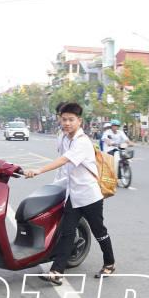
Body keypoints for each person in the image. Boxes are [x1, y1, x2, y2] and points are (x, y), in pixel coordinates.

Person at [23, 102, 116, 284]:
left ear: (79, 121)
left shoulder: (82, 141)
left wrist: (39, 170)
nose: (67, 123)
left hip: (89, 195)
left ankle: (110, 263)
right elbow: (64, 165)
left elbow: (64, 159)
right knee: (66, 233)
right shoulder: (65, 137)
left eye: (71, 120)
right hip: (72, 195)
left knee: (99, 231)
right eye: (64, 119)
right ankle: (57, 271)